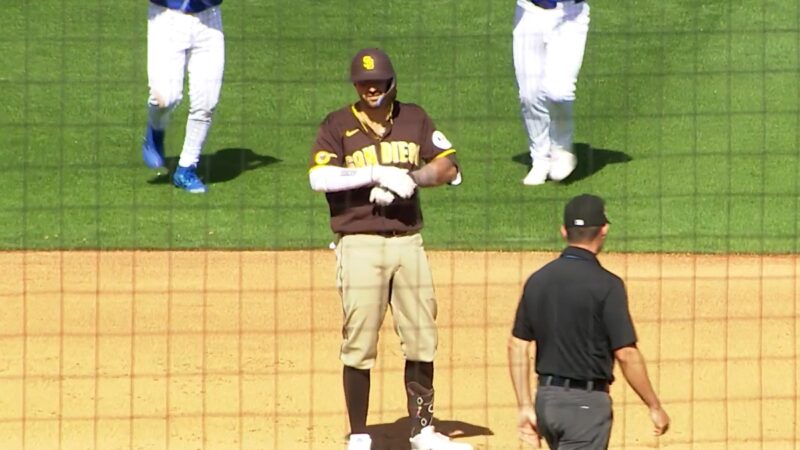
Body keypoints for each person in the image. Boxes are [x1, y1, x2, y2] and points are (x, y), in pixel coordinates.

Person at [308, 48, 470, 450]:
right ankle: (359, 434)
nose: (371, 88)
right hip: (359, 243)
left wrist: (412, 177)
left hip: (407, 243)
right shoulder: (338, 124)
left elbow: (449, 166)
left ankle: (422, 430)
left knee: (421, 336)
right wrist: (374, 174)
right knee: (360, 339)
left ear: (391, 81)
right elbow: (320, 177)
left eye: (377, 81)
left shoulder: (414, 118)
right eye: (363, 83)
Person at [508, 194, 670, 448]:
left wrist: (525, 406)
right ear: (604, 230)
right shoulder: (608, 285)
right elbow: (626, 353)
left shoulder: (537, 280)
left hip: (547, 402)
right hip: (585, 409)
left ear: (564, 231)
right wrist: (654, 405)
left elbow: (517, 345)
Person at [141, 0, 225, 193]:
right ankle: (155, 130)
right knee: (165, 97)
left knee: (206, 102)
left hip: (209, 21)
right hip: (167, 18)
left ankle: (186, 168)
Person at [512, 0, 589, 185]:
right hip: (528, 13)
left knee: (559, 91)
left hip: (570, 16)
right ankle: (540, 159)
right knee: (528, 95)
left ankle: (561, 148)